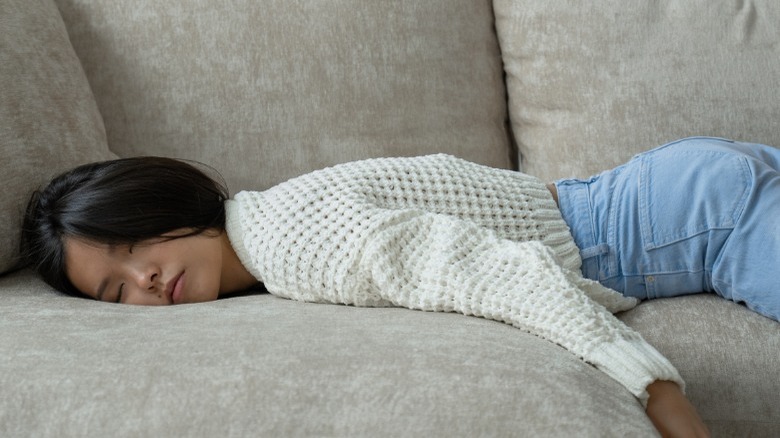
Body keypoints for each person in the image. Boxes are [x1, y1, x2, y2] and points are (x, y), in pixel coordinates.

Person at [26, 136, 780, 437]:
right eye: (116, 294)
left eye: (132, 246)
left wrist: (652, 387)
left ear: (164, 204)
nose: (147, 282)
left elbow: (490, 273)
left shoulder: (290, 241)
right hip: (677, 187)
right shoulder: (269, 222)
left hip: (685, 219)